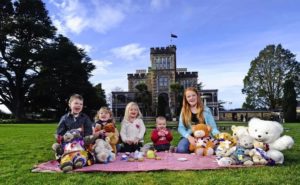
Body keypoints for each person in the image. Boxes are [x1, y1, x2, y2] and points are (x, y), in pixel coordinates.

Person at [177, 87, 220, 153]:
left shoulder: (206, 110)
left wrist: (220, 136)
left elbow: (213, 128)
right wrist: (189, 137)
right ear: (186, 99)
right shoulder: (184, 111)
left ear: (197, 96)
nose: (191, 98)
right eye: (189, 96)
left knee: (219, 149)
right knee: (181, 149)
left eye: (193, 95)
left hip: (206, 137)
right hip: (190, 136)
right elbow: (181, 128)